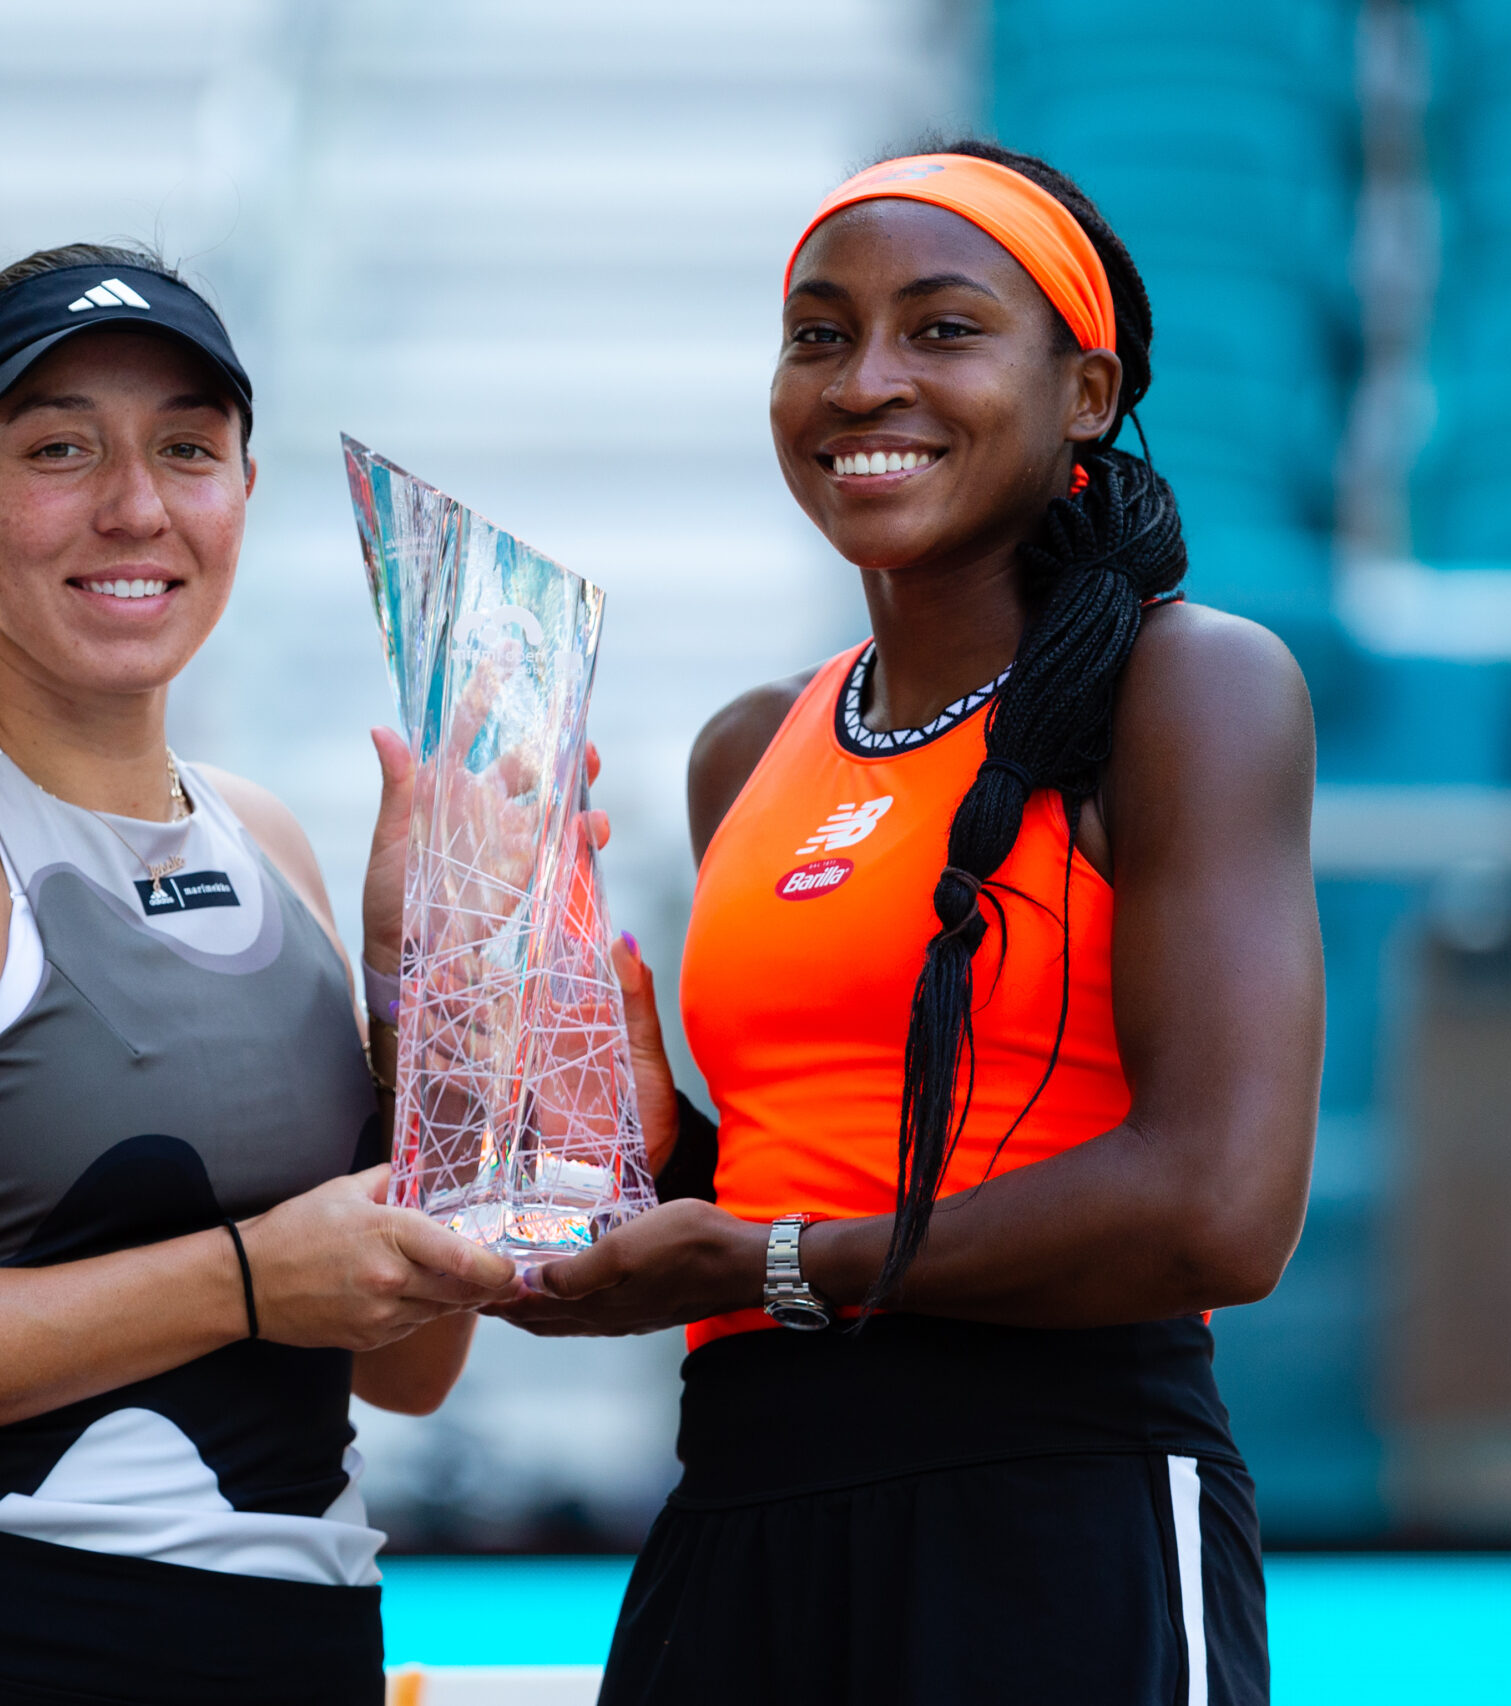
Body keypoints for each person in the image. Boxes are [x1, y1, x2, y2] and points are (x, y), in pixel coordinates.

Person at [496, 143, 1324, 1705]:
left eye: (942, 330)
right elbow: (775, 1196)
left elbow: (1221, 1205)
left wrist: (777, 1257)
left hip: (1060, 1512)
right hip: (742, 1513)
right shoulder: (751, 748)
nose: (866, 381)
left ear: (1085, 394)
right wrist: (627, 1145)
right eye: (820, 334)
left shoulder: (1191, 686)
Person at [0, 242, 515, 1706]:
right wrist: (247, 1281)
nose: (134, 505)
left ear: (244, 497)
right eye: (60, 447)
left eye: (186, 449)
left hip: (296, 1653)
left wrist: (427, 994)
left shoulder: (268, 835)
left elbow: (405, 1366)